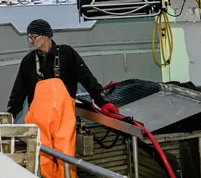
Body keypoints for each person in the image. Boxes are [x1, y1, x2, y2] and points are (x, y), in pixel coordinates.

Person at [7, 19, 118, 178]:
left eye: (33, 37)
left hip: (63, 121)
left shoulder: (67, 53)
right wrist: (9, 115)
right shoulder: (28, 62)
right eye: (29, 38)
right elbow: (18, 93)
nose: (30, 41)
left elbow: (87, 78)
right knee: (44, 162)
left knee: (66, 160)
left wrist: (102, 101)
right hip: (39, 123)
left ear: (46, 36)